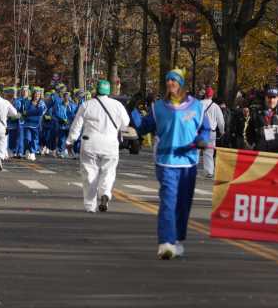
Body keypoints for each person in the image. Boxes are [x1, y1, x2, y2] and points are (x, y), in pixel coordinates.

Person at [135, 70, 212, 260]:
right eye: (168, 80)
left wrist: (202, 140)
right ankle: (166, 243)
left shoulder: (196, 107)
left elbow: (205, 129)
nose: (170, 82)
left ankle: (177, 240)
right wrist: (133, 112)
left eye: (174, 80)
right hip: (166, 161)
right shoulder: (158, 107)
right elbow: (143, 127)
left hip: (188, 162)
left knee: (183, 204)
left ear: (180, 83)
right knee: (168, 201)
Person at [67, 79, 131, 213]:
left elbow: (76, 125)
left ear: (96, 90)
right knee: (108, 171)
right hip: (110, 144)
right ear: (109, 91)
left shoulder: (87, 105)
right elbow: (125, 123)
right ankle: (105, 194)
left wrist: (70, 142)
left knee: (89, 173)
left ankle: (90, 206)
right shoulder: (117, 105)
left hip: (90, 143)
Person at [199, 87, 225, 178]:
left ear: (204, 94)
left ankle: (189, 168)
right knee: (209, 152)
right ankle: (209, 171)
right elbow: (221, 121)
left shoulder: (199, 104)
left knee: (195, 150)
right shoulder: (215, 106)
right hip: (211, 132)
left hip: (199, 131)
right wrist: (222, 131)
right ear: (212, 95)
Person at [23, 87, 46, 161]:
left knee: (35, 139)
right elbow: (26, 111)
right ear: (33, 95)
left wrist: (30, 112)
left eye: (38, 95)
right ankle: (27, 150)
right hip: (27, 124)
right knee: (27, 139)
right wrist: (33, 112)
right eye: (36, 94)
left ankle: (32, 152)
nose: (37, 96)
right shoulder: (28, 102)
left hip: (36, 124)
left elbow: (40, 112)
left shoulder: (42, 103)